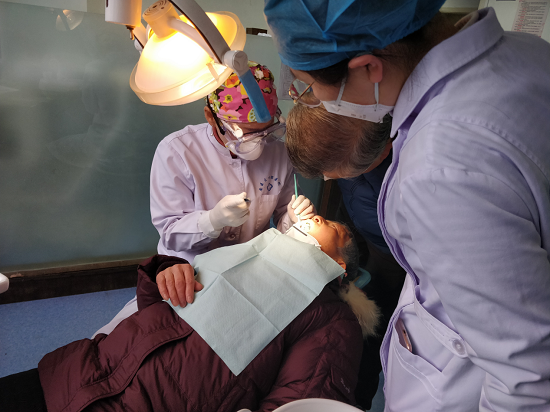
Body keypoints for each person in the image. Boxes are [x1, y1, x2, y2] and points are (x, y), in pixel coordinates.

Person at [264, 1, 550, 411]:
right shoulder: (527, 51)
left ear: (368, 68)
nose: (309, 100)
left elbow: (529, 376)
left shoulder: (437, 169)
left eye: (307, 88)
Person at [0, 216, 380, 412]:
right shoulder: (249, 255)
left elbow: (302, 400)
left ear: (340, 267)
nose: (317, 219)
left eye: (333, 226)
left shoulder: (331, 319)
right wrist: (167, 271)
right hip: (81, 373)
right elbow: (158, 312)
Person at [92, 61, 314, 336]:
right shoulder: (177, 151)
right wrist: (211, 221)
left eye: (266, 130)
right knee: (135, 338)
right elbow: (171, 233)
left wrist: (290, 221)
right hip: (188, 273)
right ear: (211, 117)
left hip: (247, 271)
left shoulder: (279, 153)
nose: (259, 142)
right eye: (245, 133)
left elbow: (282, 213)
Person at [286, 102, 406, 409]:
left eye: (323, 223)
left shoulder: (400, 180)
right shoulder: (345, 141)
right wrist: (288, 221)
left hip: (391, 249)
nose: (327, 178)